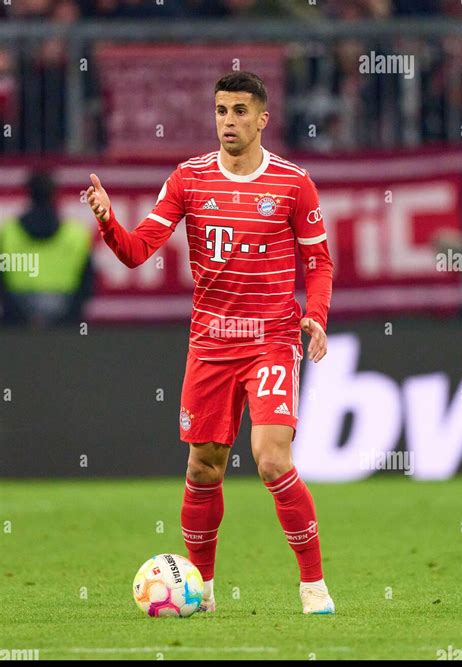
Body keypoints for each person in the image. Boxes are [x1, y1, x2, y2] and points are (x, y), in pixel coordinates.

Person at [86, 71, 335, 615]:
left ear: (263, 118)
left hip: (271, 338)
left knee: (271, 459)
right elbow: (136, 251)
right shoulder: (189, 179)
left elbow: (318, 262)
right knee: (203, 467)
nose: (229, 121)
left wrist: (314, 316)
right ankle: (205, 592)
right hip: (211, 343)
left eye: (241, 111)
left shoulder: (293, 183)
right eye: (222, 110)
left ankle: (313, 586)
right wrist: (108, 221)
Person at [0, 170, 93, 327]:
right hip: (65, 314)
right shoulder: (76, 234)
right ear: (54, 195)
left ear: (28, 194)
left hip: (17, 317)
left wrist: (17, 314)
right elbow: (88, 283)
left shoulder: (8, 232)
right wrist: (69, 317)